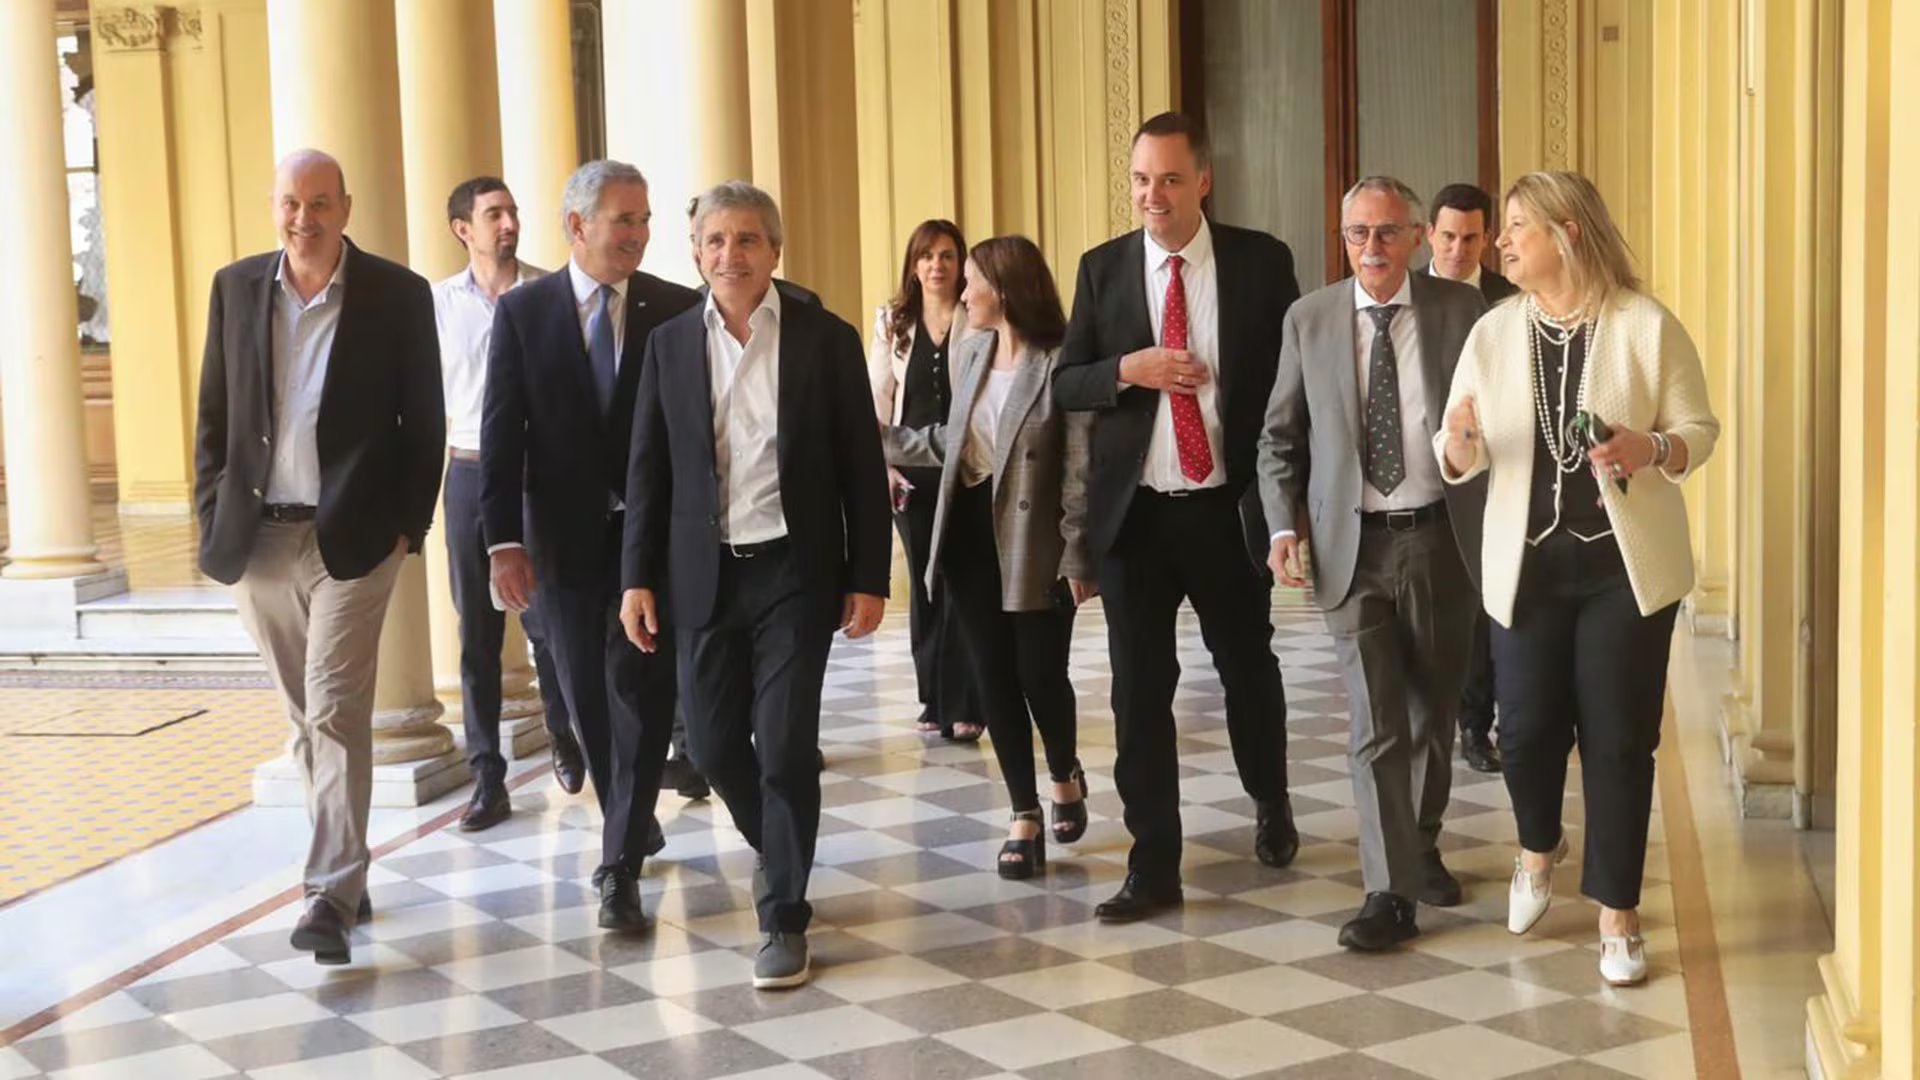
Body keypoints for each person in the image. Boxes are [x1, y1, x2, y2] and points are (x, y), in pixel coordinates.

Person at [1436, 170, 1718, 986]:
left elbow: (1698, 429)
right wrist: (1458, 445)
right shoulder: (1492, 332)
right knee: (1524, 735)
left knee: (1619, 741)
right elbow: (1457, 446)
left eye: (1517, 225)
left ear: (1567, 234)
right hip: (1526, 568)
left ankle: (1617, 915)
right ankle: (1538, 847)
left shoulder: (1644, 325)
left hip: (1622, 573)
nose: (1502, 241)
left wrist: (1650, 448)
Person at [622, 181, 890, 990]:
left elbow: (860, 465)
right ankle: (779, 851)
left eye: (746, 240)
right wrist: (636, 578)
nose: (729, 255)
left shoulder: (824, 339)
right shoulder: (669, 344)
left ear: (775, 250)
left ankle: (782, 917)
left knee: (781, 743)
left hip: (794, 572)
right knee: (710, 746)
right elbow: (648, 470)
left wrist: (868, 577)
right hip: (701, 575)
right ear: (696, 252)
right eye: (715, 240)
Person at [194, 150, 444, 964]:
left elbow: (425, 421)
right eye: (291, 203)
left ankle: (328, 897)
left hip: (355, 540)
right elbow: (214, 415)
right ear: (275, 206)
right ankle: (347, 867)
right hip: (259, 538)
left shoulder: (397, 294)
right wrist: (210, 514)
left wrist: (407, 526)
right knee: (304, 718)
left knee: (334, 707)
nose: (305, 219)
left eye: (321, 203)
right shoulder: (235, 288)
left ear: (346, 207)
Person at [1053, 112, 1301, 923]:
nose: (1151, 195)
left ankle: (1270, 797)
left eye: (1167, 179)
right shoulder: (1103, 269)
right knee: (1138, 693)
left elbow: (1293, 386)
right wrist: (1129, 368)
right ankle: (1153, 862)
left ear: (1202, 181)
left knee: (1248, 669)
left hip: (1228, 512)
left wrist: (1292, 508)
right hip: (1138, 521)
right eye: (1139, 180)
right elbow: (1066, 381)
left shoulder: (1261, 262)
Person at [1260, 177, 1487, 951]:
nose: (1373, 248)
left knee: (1432, 712)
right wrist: (1281, 528)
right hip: (1349, 546)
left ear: (1418, 237)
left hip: (1441, 537)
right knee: (1376, 721)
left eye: (1388, 232)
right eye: (1358, 233)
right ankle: (1388, 891)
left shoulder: (1462, 312)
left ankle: (1420, 841)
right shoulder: (1310, 319)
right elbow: (1279, 437)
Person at [481, 160, 698, 932]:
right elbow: (501, 435)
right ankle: (630, 819)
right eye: (624, 220)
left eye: (645, 220)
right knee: (585, 701)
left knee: (642, 693)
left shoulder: (676, 309)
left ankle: (618, 867)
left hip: (651, 542)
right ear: (577, 226)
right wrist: (502, 541)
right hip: (563, 544)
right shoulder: (524, 313)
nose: (640, 235)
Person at [883, 235, 1096, 880]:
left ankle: (1064, 772)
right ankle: (1023, 812)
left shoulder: (1062, 359)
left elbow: (1079, 467)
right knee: (993, 675)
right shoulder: (972, 349)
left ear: (1003, 290)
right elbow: (956, 442)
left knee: (1040, 674)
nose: (963, 292)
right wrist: (883, 441)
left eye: (972, 280)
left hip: (1036, 541)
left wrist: (1078, 553)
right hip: (969, 535)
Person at [432, 176, 588, 829]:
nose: (509, 224)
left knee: (548, 624)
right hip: (469, 474)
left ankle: (565, 733)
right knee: (478, 634)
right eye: (494, 214)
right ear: (462, 229)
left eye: (513, 212)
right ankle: (486, 777)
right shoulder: (439, 306)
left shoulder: (550, 294)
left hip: (536, 478)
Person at [868, 219, 984, 742]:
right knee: (924, 583)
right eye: (927, 256)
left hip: (967, 467)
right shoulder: (892, 323)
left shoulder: (978, 316)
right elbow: (878, 400)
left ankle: (966, 701)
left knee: (964, 582)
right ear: (913, 266)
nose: (937, 265)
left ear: (961, 264)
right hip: (910, 476)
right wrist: (884, 468)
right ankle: (933, 699)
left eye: (947, 256)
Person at [1427, 182, 1516, 775]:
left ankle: (1479, 723)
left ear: (1488, 239)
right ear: (1428, 236)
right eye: (1448, 237)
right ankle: (1442, 717)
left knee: (1489, 601)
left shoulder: (1510, 300)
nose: (1458, 250)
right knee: (1441, 604)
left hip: (1495, 469)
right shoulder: (1406, 294)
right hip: (1422, 470)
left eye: (1470, 238)